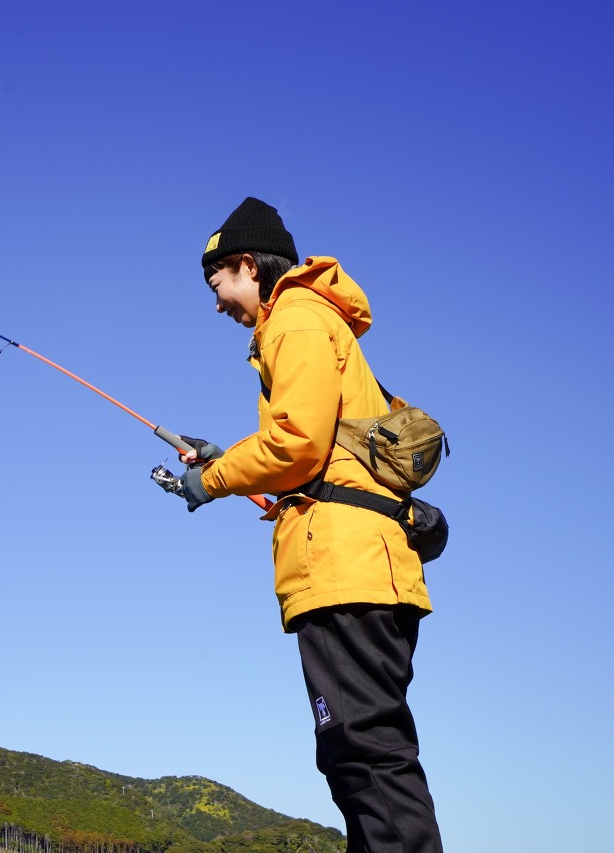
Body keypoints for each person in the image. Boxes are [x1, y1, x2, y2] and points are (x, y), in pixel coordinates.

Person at [157, 198, 443, 852]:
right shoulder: (307, 324)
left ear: (248, 266)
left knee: (365, 754)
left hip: (346, 574)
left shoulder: (296, 321)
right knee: (358, 756)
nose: (217, 301)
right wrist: (226, 458)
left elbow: (297, 445)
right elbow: (314, 465)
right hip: (353, 567)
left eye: (218, 283)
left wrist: (210, 481)